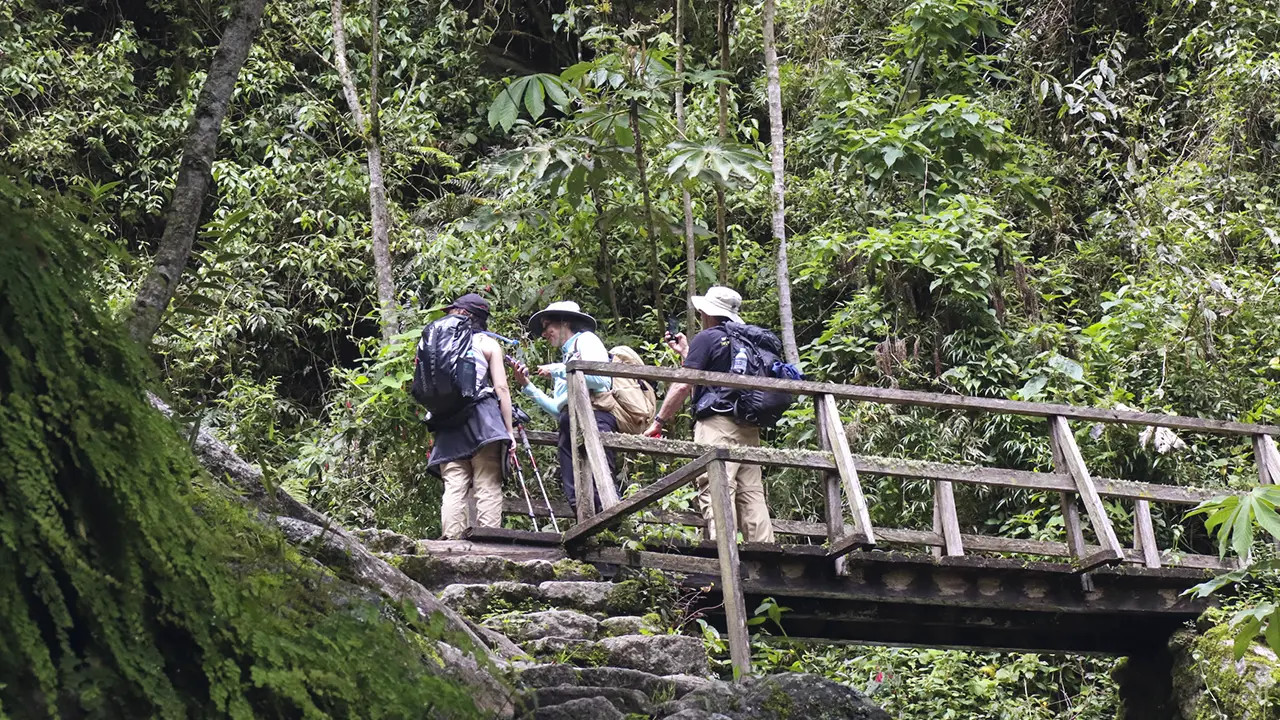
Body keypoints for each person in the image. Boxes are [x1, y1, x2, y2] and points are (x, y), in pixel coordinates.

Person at [643, 286, 775, 543]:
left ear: (707, 312)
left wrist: (658, 421)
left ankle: (723, 551)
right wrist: (685, 353)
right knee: (751, 491)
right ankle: (765, 556)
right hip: (749, 425)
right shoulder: (747, 341)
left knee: (717, 485)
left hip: (716, 424)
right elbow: (713, 378)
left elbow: (683, 384)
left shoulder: (708, 337)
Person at [512, 301, 617, 514]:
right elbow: (558, 407)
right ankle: (587, 528)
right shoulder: (566, 356)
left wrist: (562, 370)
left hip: (594, 417)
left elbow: (602, 379)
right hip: (569, 423)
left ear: (564, 322)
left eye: (547, 326)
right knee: (576, 493)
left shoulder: (586, 340)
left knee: (601, 484)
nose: (544, 333)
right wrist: (527, 386)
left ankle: (615, 530)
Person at [425, 293, 515, 539]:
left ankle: (451, 541)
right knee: (486, 481)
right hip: (483, 421)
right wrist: (508, 430)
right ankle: (488, 541)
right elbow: (502, 389)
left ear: (462, 314)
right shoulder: (487, 344)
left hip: (446, 420)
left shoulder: (438, 344)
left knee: (454, 485)